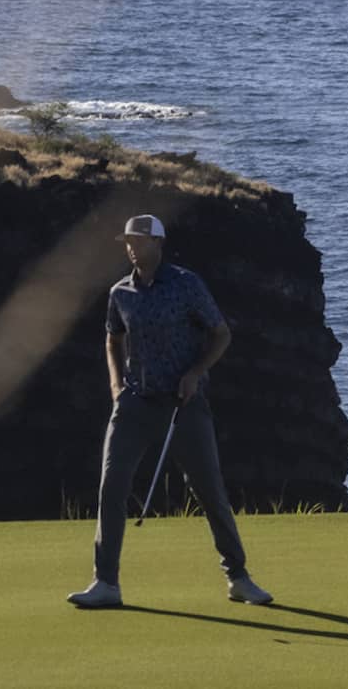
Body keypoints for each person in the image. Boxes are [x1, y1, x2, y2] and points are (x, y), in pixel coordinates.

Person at [66, 214, 273, 609]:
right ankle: (106, 582)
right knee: (112, 488)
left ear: (158, 244)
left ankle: (239, 578)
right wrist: (115, 386)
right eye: (128, 240)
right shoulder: (120, 293)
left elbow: (221, 334)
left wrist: (196, 373)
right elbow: (113, 338)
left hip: (184, 405)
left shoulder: (186, 285)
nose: (131, 247)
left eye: (139, 241)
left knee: (210, 492)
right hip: (134, 404)